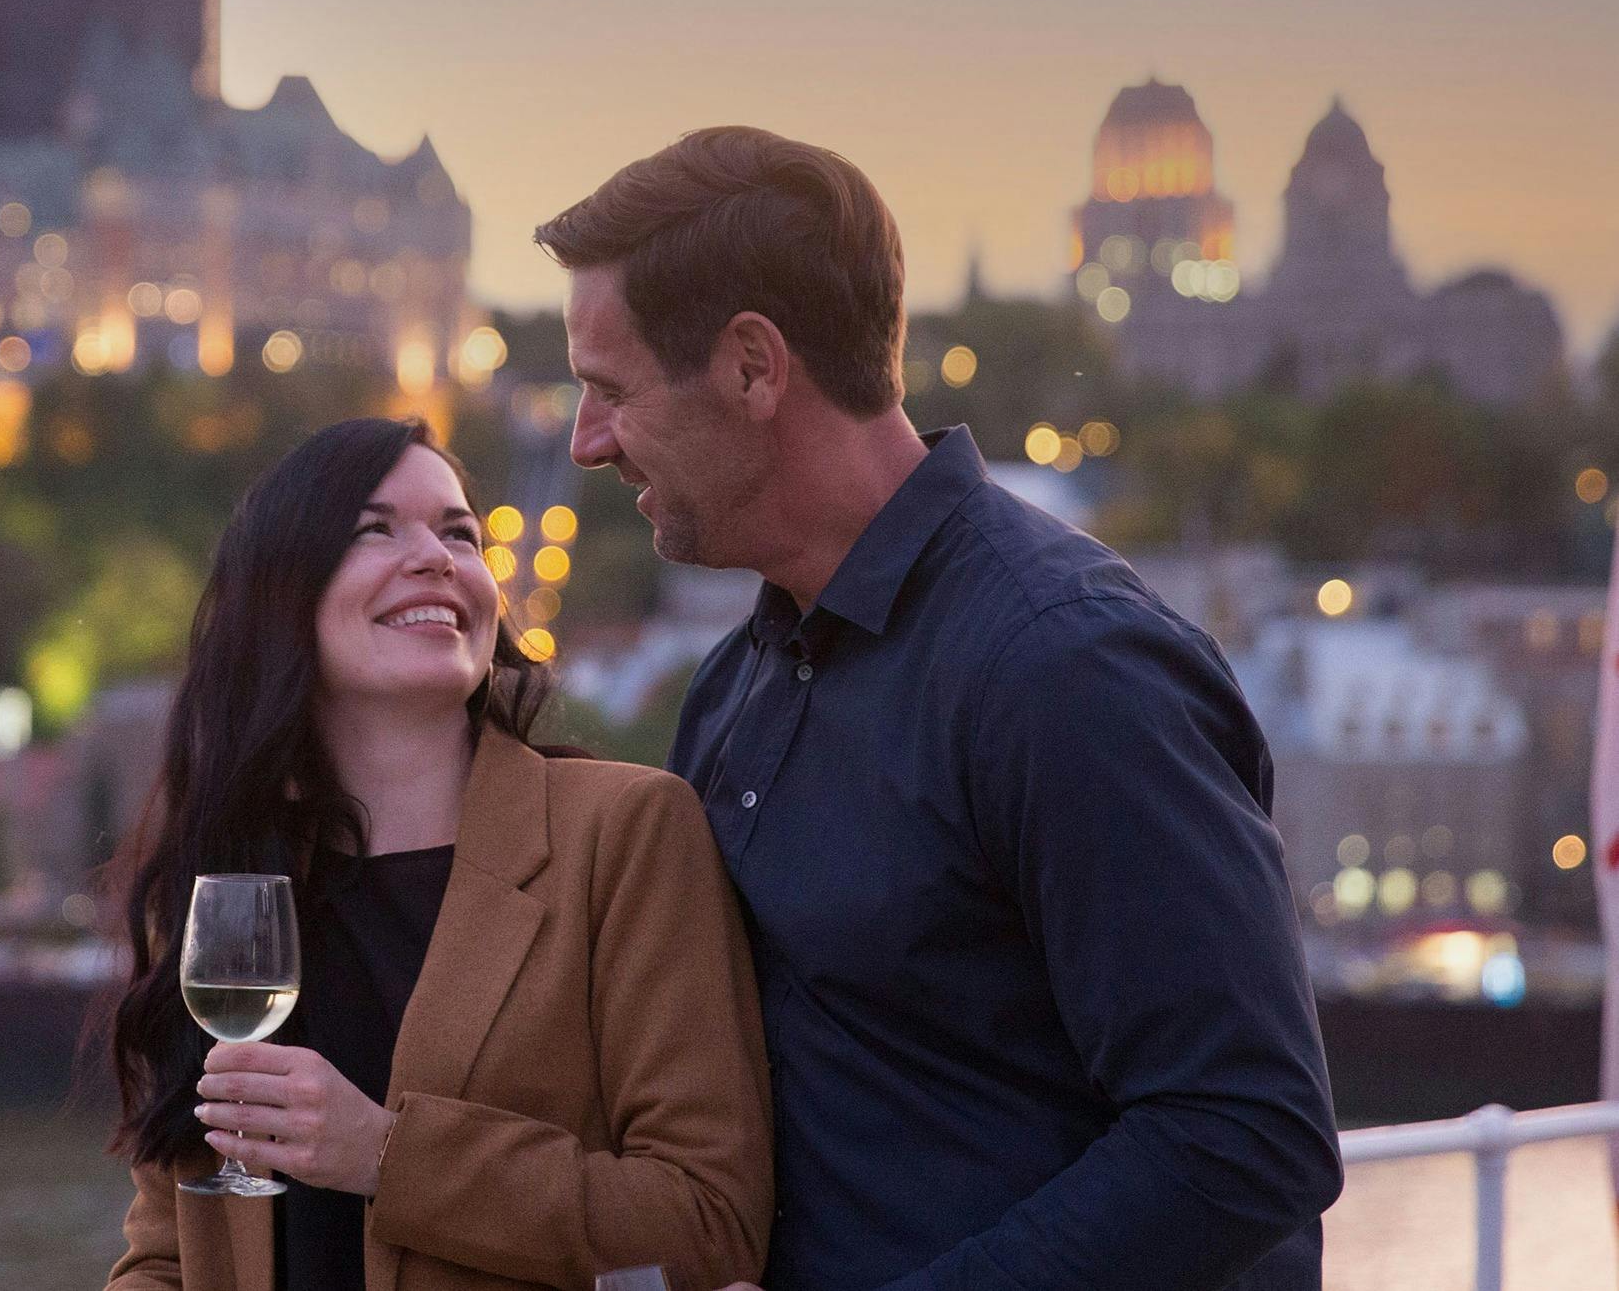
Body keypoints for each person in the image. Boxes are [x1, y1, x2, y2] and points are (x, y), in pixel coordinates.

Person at [537, 127, 1343, 1291]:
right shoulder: (734, 686)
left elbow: (1243, 1130)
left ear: (753, 368)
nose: (585, 442)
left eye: (607, 392)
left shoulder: (1061, 671)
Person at [104, 416, 773, 1291]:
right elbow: (167, 1257)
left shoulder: (625, 832)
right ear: (279, 598)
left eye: (459, 532)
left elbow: (706, 1224)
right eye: (372, 530)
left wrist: (385, 1153)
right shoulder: (227, 884)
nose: (436, 557)